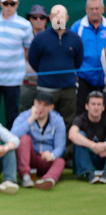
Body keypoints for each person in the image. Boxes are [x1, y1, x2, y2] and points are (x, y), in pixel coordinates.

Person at [28, 5, 84, 166]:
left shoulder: (75, 39)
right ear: (50, 18)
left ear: (66, 18)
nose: (58, 19)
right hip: (46, 89)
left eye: (61, 16)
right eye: (55, 16)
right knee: (44, 121)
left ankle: (64, 158)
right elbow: (33, 60)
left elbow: (78, 62)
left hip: (68, 88)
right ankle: (42, 157)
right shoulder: (40, 38)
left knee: (68, 122)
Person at [0, 0, 33, 130]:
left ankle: (10, 148)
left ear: (17, 4)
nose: (9, 7)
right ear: (1, 4)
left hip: (13, 79)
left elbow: (27, 51)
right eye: (6, 3)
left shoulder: (25, 25)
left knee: (12, 116)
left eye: (13, 4)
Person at [11, 91, 66, 190]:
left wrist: (52, 155)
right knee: (24, 139)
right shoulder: (25, 116)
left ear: (51, 107)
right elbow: (12, 135)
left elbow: (60, 146)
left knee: (60, 161)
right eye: (39, 103)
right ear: (34, 103)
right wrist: (31, 119)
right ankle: (25, 176)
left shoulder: (58, 120)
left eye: (45, 105)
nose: (41, 108)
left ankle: (47, 180)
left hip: (47, 159)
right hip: (30, 159)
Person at [72, 0, 106, 116]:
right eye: (91, 9)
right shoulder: (77, 27)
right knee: (82, 112)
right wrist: (76, 74)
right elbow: (71, 52)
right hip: (84, 79)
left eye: (97, 8)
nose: (94, 11)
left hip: (104, 79)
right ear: (86, 10)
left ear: (103, 9)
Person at [69, 91, 106, 183]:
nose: (96, 107)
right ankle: (88, 173)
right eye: (93, 104)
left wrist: (104, 145)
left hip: (103, 156)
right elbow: (72, 134)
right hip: (87, 156)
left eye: (99, 104)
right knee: (79, 135)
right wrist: (93, 145)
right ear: (87, 106)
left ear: (103, 107)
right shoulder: (80, 119)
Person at [19, 4, 49, 112]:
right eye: (35, 17)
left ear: (46, 20)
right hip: (27, 84)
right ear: (30, 20)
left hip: (47, 85)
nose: (38, 20)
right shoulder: (23, 36)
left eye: (42, 17)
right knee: (24, 113)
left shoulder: (52, 37)